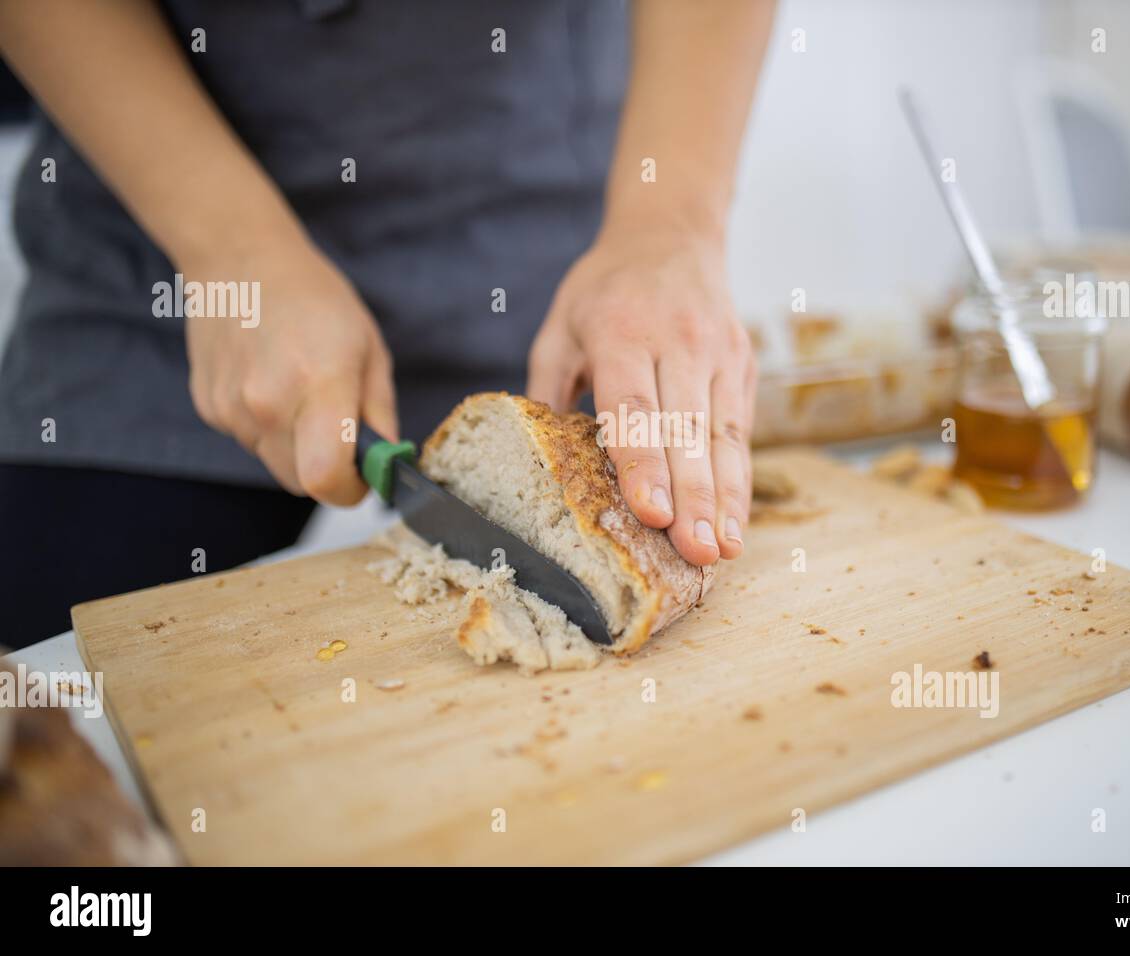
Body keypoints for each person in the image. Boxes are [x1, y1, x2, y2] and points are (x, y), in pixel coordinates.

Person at [0, 0, 775, 648]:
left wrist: (668, 228)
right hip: (156, 243)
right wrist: (228, 247)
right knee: (62, 678)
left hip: (547, 269)